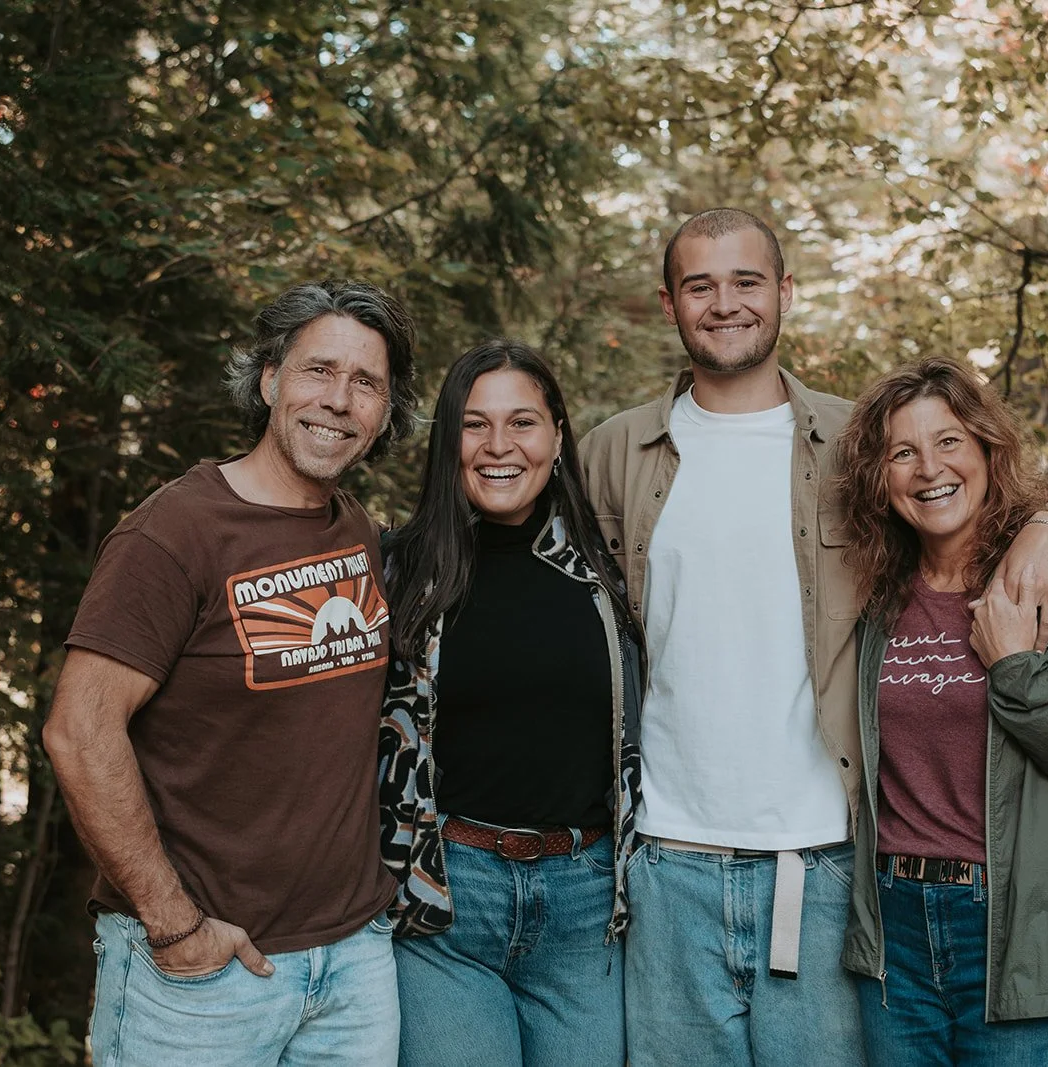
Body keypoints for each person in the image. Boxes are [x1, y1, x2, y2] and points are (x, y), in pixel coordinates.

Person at [577, 208, 1048, 1066]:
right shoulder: (612, 453)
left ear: (784, 292)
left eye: (746, 281)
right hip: (667, 865)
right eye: (700, 285)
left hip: (826, 867)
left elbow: (971, 505)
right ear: (669, 303)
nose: (724, 302)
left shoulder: (858, 443)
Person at [42, 280, 419, 1066]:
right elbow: (79, 731)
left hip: (353, 965)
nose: (339, 400)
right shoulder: (174, 532)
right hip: (202, 976)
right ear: (270, 379)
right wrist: (173, 923)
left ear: (386, 411)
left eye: (366, 382)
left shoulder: (355, 531)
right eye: (319, 371)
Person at [833, 356, 1048, 1065]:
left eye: (949, 441)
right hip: (896, 937)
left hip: (1024, 933)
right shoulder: (877, 600)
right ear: (879, 478)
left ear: (987, 450)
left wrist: (1017, 673)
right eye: (902, 452)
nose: (928, 468)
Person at [378, 339, 643, 1066]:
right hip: (448, 902)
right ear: (447, 442)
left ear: (557, 435)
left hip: (585, 904)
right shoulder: (401, 571)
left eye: (522, 422)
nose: (499, 446)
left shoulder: (608, 574)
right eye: (474, 424)